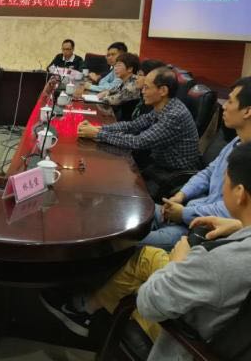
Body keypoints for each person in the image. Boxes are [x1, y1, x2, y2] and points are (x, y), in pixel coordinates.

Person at [40, 141, 251, 361]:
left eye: (226, 179)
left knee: (142, 258)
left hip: (188, 346)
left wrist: (177, 263)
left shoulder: (220, 262)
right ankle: (88, 306)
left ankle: (87, 308)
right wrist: (238, 225)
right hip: (219, 314)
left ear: (239, 194)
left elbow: (149, 304)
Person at [141, 77, 251, 250]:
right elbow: (208, 172)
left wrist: (184, 213)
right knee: (135, 210)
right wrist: (181, 195)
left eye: (230, 101)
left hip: (202, 231)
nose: (224, 106)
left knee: (127, 240)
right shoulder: (236, 141)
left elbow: (232, 210)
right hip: (189, 209)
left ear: (247, 111)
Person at [78, 67, 201, 173]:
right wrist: (100, 128)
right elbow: (133, 125)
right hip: (157, 163)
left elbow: (139, 142)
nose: (142, 91)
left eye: (146, 87)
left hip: (171, 173)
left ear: (163, 90)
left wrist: (98, 134)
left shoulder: (174, 115)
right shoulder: (165, 105)